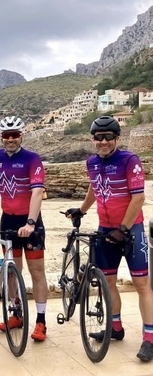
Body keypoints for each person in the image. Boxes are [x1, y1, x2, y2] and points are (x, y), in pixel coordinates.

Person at [65, 115, 153, 362]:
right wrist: (82, 210)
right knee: (109, 281)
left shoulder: (130, 161)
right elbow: (94, 187)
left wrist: (123, 229)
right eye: (98, 137)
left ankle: (149, 339)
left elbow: (138, 198)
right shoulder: (92, 162)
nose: (103, 142)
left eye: (108, 137)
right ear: (92, 139)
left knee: (142, 285)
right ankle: (115, 328)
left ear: (117, 138)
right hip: (105, 230)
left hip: (131, 231)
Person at [0, 116, 48, 342]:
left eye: (15, 135)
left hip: (30, 221)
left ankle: (41, 321)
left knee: (37, 272)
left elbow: (37, 191)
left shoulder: (32, 159)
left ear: (22, 135)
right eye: (6, 135)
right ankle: (17, 315)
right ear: (1, 137)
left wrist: (31, 222)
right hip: (8, 221)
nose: (10, 139)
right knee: (12, 271)